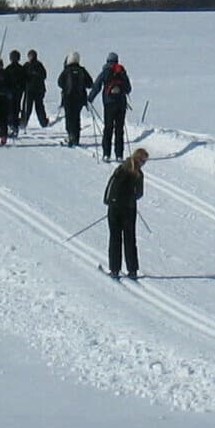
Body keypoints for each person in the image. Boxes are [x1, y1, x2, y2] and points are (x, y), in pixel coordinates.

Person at [103, 147, 149, 278]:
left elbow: (111, 186)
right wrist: (130, 198)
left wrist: (109, 201)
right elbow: (139, 193)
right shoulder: (138, 174)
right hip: (129, 209)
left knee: (115, 238)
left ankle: (114, 269)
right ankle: (132, 270)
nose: (143, 164)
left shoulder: (121, 168)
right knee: (130, 239)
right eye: (143, 161)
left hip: (115, 208)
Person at [93, 52, 132, 161]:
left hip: (109, 104)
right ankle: (119, 155)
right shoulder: (122, 72)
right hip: (121, 104)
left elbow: (97, 86)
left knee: (108, 128)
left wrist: (89, 99)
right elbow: (128, 89)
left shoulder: (105, 72)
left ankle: (106, 154)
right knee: (119, 129)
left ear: (107, 61)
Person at [56, 52, 94, 148]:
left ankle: (70, 136)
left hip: (68, 98)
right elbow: (90, 83)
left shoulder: (66, 71)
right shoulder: (82, 70)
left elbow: (60, 83)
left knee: (69, 118)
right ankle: (76, 138)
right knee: (76, 118)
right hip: (80, 98)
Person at [21, 48, 50, 130]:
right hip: (36, 90)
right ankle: (43, 122)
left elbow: (43, 76)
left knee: (29, 107)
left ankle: (24, 122)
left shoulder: (28, 65)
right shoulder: (38, 65)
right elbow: (44, 75)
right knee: (37, 107)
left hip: (31, 90)